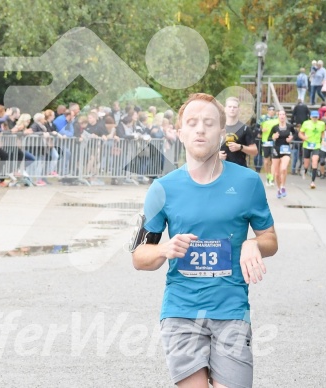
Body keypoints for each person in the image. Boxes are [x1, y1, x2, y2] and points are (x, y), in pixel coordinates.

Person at [132, 93, 277, 388]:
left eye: (209, 123)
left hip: (232, 310)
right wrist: (164, 249)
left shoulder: (248, 183)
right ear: (180, 132)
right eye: (193, 123)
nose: (200, 129)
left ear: (221, 133)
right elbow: (139, 257)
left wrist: (253, 244)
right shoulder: (162, 189)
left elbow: (270, 239)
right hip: (181, 311)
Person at [219, 97, 258, 167]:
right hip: (221, 168)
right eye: (229, 107)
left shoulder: (245, 128)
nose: (232, 109)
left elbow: (254, 151)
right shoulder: (218, 127)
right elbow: (207, 148)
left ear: (239, 109)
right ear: (225, 109)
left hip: (239, 167)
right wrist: (216, 156)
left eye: (235, 107)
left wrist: (240, 147)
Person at [270, 110, 297, 198]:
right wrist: (273, 137)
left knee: (284, 168)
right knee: (277, 173)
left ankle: (283, 186)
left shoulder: (290, 127)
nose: (282, 116)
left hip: (286, 149)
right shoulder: (275, 127)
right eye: (280, 114)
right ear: (278, 116)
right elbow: (269, 137)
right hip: (276, 150)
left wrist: (291, 138)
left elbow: (296, 134)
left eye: (283, 114)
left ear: (285, 116)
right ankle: (278, 189)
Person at [299, 110, 324, 189]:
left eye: (316, 117)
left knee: (315, 161)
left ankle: (313, 182)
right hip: (307, 144)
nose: (315, 118)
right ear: (310, 117)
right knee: (306, 163)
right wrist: (303, 137)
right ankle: (305, 170)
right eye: (313, 117)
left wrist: (322, 140)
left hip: (316, 145)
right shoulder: (306, 123)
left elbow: (323, 132)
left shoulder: (321, 124)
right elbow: (300, 133)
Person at [259, 106, 279, 186]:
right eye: (270, 110)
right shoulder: (263, 118)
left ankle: (272, 177)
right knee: (266, 160)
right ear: (267, 111)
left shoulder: (276, 118)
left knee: (273, 160)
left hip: (274, 141)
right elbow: (257, 127)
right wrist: (261, 130)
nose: (271, 111)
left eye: (273, 110)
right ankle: (267, 175)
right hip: (266, 141)